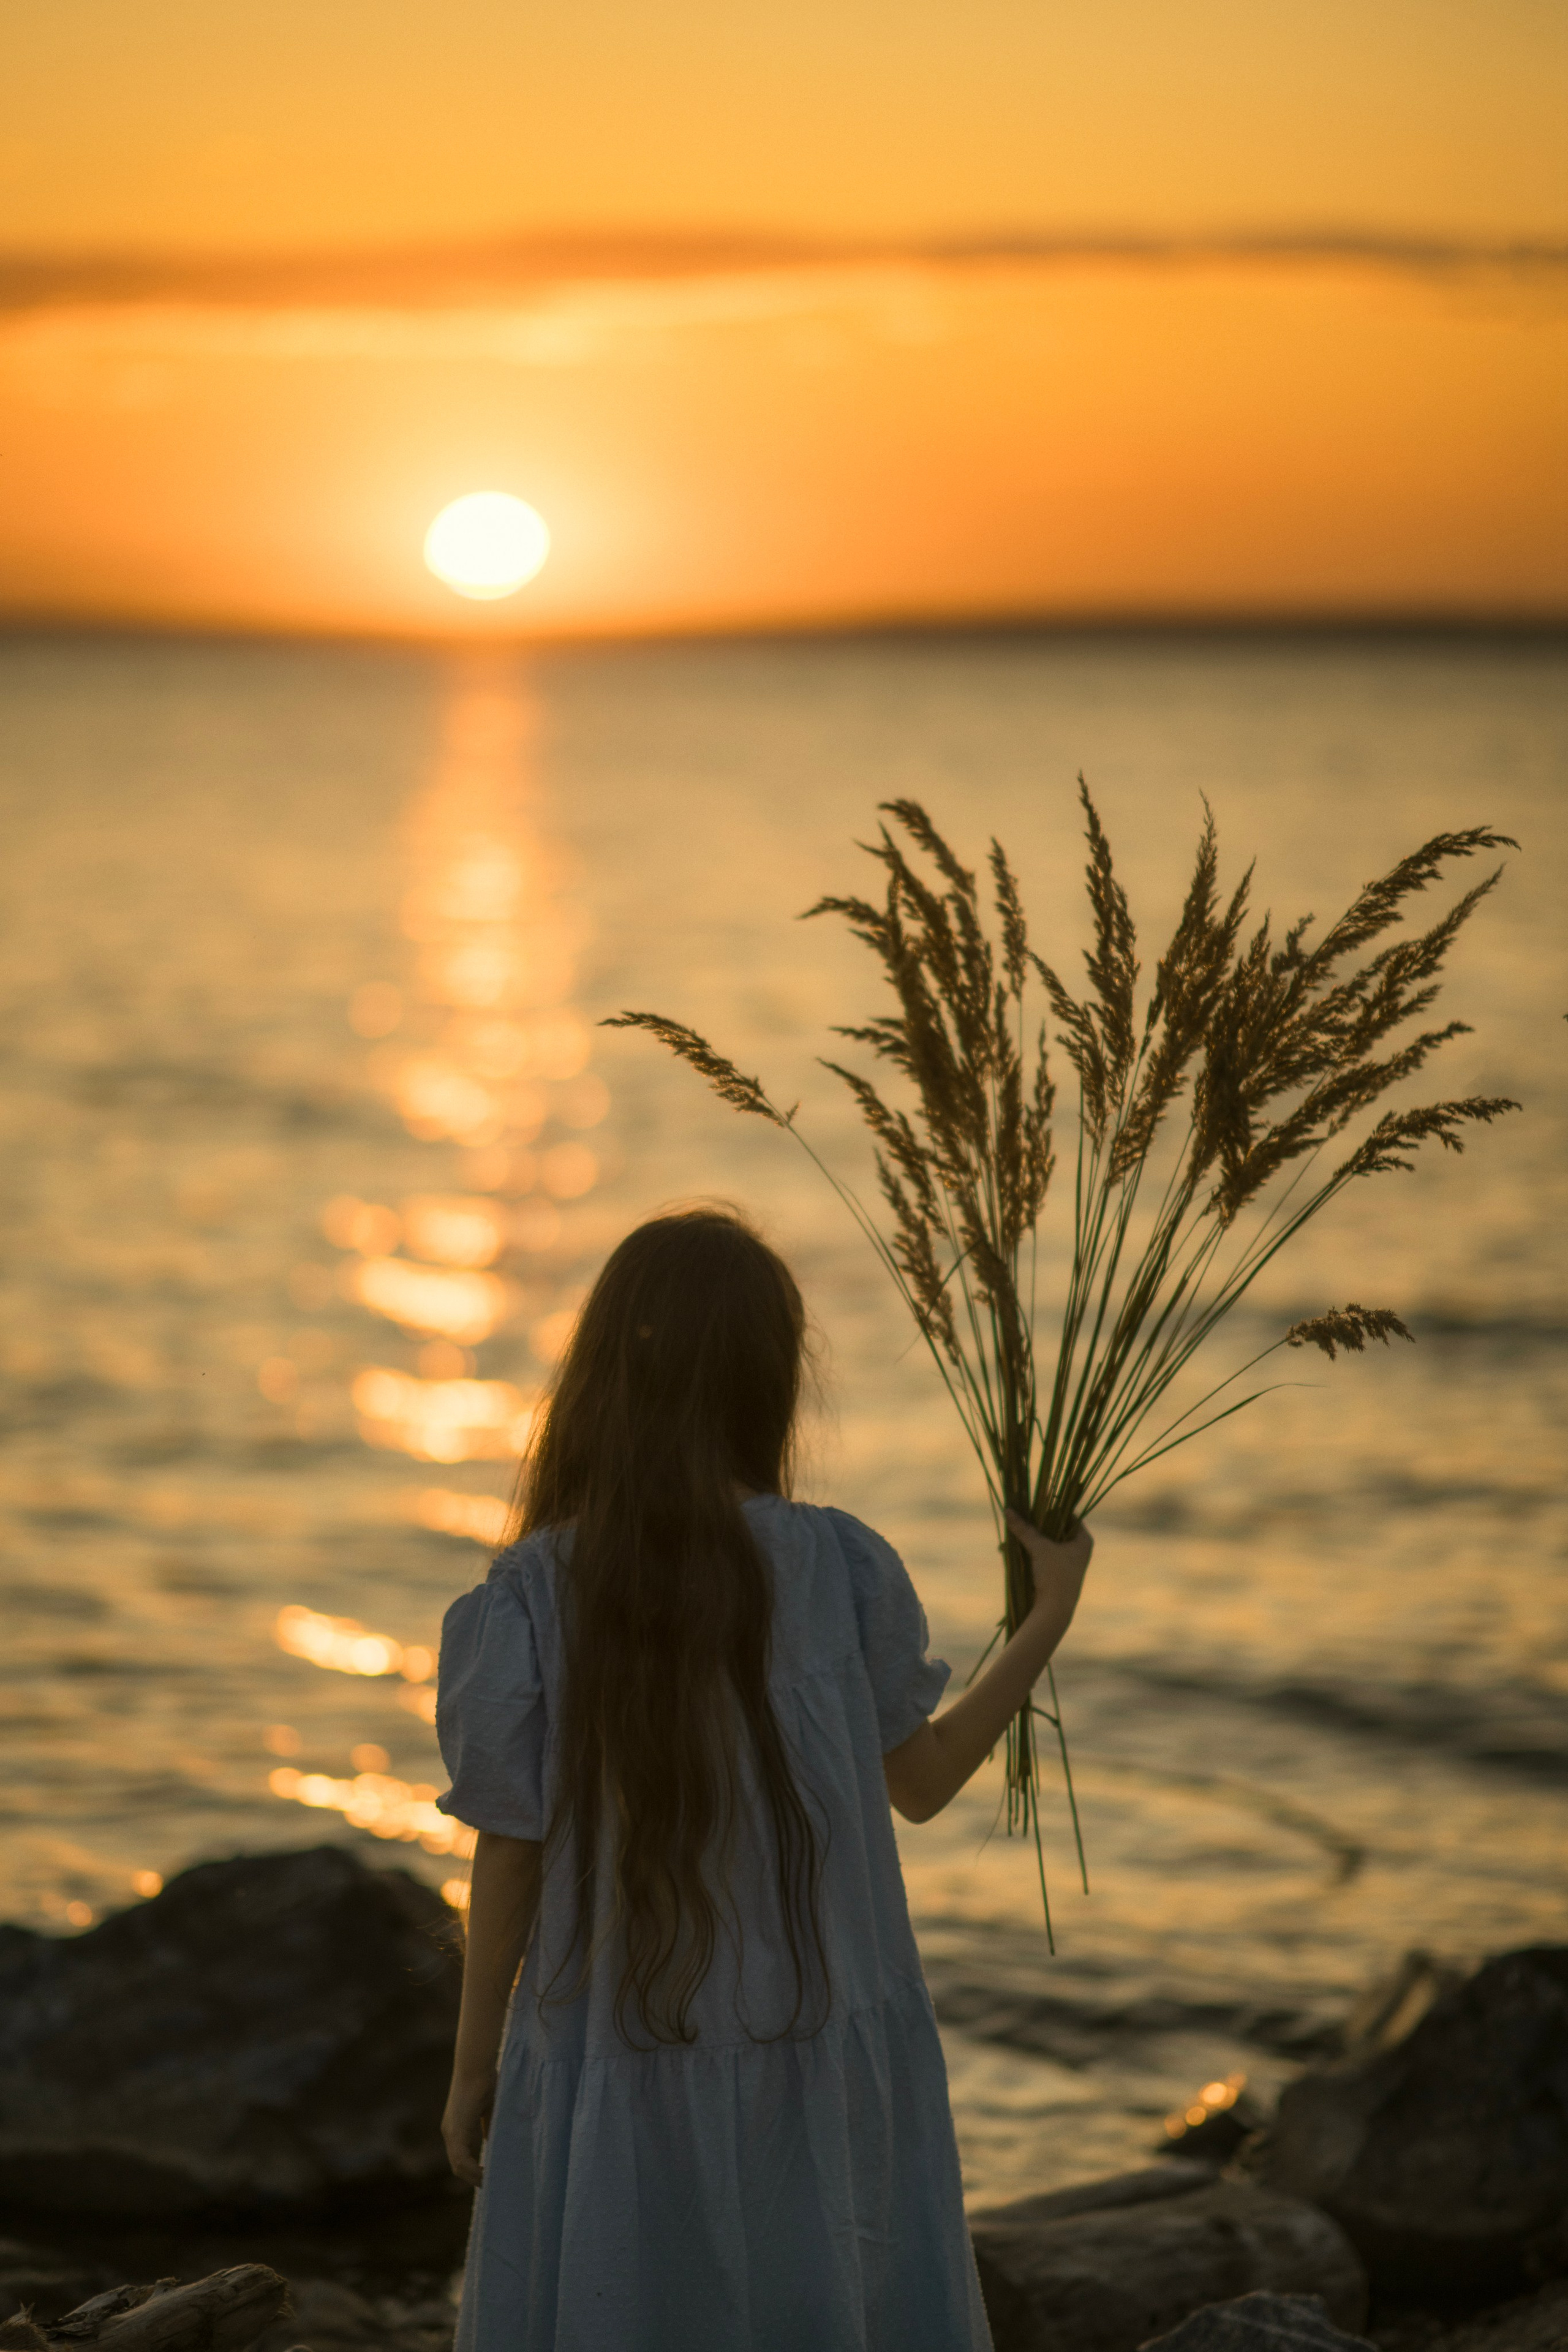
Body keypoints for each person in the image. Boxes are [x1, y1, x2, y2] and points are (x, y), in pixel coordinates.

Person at [435, 1205, 1093, 2351]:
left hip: (610, 2056)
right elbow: (925, 1782)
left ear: (602, 1372)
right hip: (817, 2057)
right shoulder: (838, 1566)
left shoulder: (536, 1591)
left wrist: (471, 2067)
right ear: (767, 1380)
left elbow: (512, 1843)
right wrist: (1051, 1614)